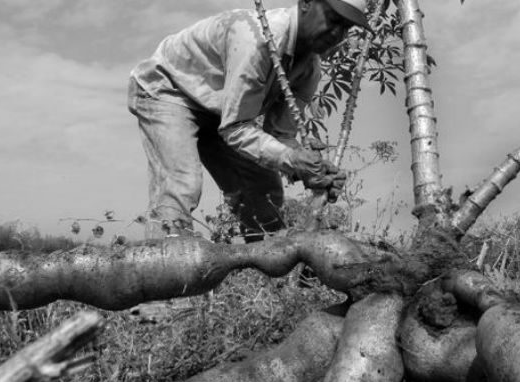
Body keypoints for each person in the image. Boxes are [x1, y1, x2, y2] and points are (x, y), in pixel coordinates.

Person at [128, 0, 370, 240]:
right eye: (333, 19)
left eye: (347, 28)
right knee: (182, 184)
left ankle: (266, 271)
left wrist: (313, 168)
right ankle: (168, 267)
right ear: (306, 3)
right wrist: (292, 160)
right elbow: (235, 128)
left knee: (264, 191)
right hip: (168, 90)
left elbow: (281, 136)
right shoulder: (257, 40)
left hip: (219, 111)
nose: (337, 33)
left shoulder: (308, 71)